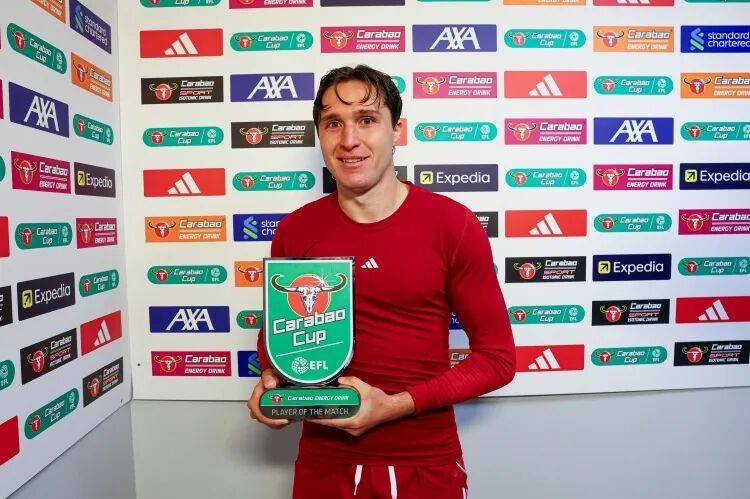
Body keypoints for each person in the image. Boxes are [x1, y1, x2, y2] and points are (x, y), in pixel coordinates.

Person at [247, 65, 516, 499]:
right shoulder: (296, 230)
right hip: (323, 464)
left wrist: (393, 406)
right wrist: (274, 388)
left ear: (397, 131)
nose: (349, 139)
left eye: (367, 120)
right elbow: (275, 340)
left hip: (423, 464)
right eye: (333, 123)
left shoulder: (452, 224)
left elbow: (497, 360)